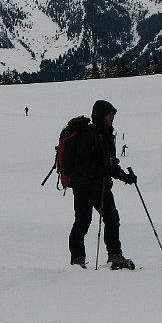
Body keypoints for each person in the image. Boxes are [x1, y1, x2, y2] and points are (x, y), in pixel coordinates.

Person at [67, 100, 138, 269]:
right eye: (109, 114)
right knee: (83, 222)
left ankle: (115, 255)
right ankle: (77, 258)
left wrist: (126, 177)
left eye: (112, 114)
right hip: (83, 186)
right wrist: (102, 167)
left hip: (101, 186)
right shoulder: (88, 134)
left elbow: (110, 164)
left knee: (112, 218)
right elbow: (82, 163)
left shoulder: (107, 135)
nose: (112, 117)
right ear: (100, 115)